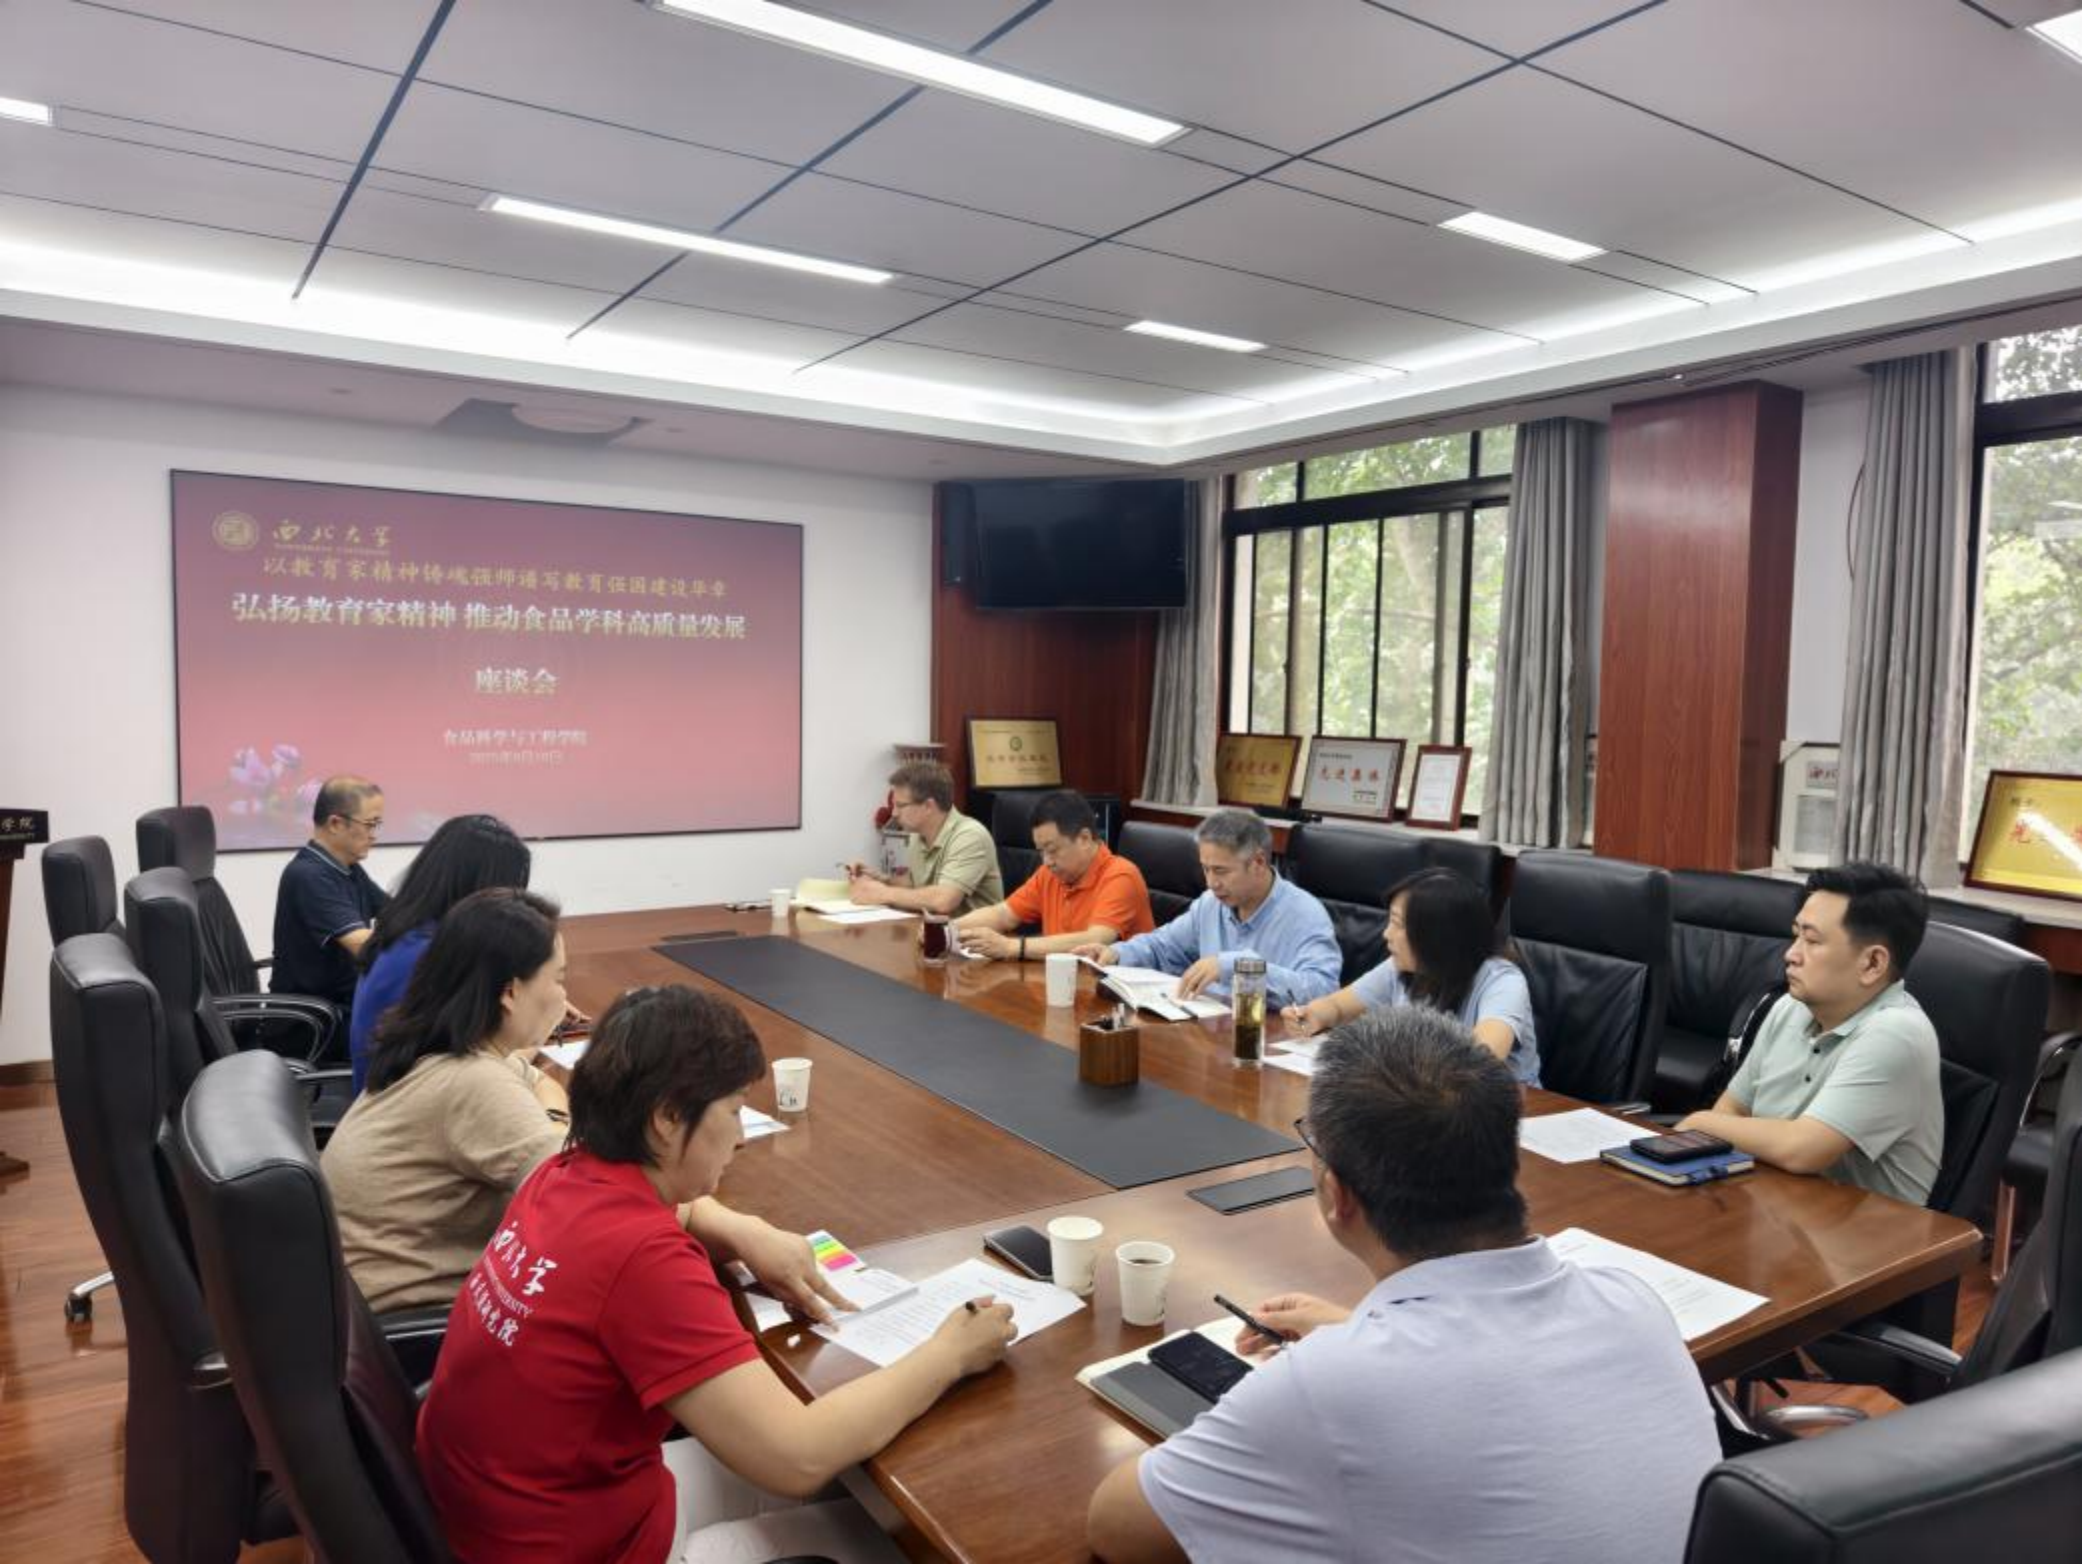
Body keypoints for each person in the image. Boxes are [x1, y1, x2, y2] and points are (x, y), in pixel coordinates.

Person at [1086, 1007, 1720, 1564]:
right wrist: (1357, 1333)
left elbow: (1116, 1527)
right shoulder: (1632, 1301)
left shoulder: (1330, 1386)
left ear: (1337, 1195)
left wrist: (1337, 1367)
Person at [417, 984, 1016, 1564]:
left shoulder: (563, 1172)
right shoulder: (643, 1258)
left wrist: (742, 1230)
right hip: (581, 1543)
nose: (740, 1136)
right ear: (667, 1118)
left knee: (844, 1483)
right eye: (732, 1111)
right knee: (893, 1536)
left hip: (500, 1511)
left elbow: (671, 1215)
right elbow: (797, 1457)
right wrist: (950, 1354)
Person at [325, 889, 835, 1320]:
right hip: (416, 1326)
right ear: (510, 992)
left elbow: (541, 1086)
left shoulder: (442, 1048)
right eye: (558, 978)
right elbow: (605, 1198)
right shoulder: (470, 1082)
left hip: (368, 1314)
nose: (564, 997)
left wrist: (554, 1128)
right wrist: (745, 1231)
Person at [1678, 861, 1942, 1205]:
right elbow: (1731, 1109)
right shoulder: (1789, 1007)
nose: (1791, 954)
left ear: (1872, 964)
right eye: (1796, 935)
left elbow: (1803, 1149)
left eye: (1812, 940)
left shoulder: (1897, 1035)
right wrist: (1710, 1125)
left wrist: (1700, 1121)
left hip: (1863, 1234)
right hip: (1768, 1207)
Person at [1280, 868, 1539, 1084]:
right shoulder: (1401, 967)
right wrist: (1313, 1016)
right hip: (1425, 1103)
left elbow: (1481, 1060)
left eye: (1398, 924)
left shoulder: (1502, 981)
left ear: (1437, 934)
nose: (1386, 934)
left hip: (1507, 1113)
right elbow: (1337, 1007)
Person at [348, 813, 534, 1093]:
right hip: (405, 1104)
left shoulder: (411, 929)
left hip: (388, 1096)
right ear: (480, 891)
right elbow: (489, 1060)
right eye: (507, 891)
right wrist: (538, 1018)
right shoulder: (431, 955)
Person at [1079, 809, 1339, 1008]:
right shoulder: (1210, 903)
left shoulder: (1305, 914)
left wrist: (1239, 966)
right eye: (1206, 869)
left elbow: (1322, 992)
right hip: (1209, 1032)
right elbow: (1163, 946)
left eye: (1221, 871)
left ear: (1258, 863)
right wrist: (1116, 953)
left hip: (1266, 1042)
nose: (1211, 883)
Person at [953, 789, 1154, 961]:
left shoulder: (1121, 876)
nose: (1046, 861)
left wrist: (1011, 947)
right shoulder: (1050, 873)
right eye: (1041, 851)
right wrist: (947, 929)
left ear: (1084, 839)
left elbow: (1095, 940)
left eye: (1052, 850)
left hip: (1111, 989)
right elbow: (1003, 914)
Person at [271, 773, 390, 1010]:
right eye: (370, 824)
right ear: (335, 823)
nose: (374, 834)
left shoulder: (349, 868)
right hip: (318, 1016)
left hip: (344, 1003)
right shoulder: (308, 876)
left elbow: (398, 912)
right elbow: (364, 946)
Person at [843, 760, 1003, 916]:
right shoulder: (916, 835)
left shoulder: (970, 836)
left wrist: (882, 893)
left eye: (900, 805)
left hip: (973, 933)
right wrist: (879, 879)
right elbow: (912, 887)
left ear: (928, 806)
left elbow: (943, 901)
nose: (894, 814)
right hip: (932, 929)